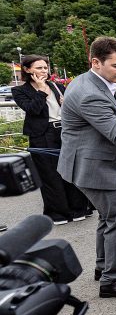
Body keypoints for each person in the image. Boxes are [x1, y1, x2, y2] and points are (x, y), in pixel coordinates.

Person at [56, 37, 116, 296]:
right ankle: (113, 280)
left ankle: (105, 267)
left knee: (108, 217)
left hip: (88, 164)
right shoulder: (90, 94)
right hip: (94, 168)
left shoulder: (90, 82)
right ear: (95, 62)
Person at [11, 55, 90, 224]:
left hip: (65, 131)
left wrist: (66, 102)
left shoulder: (57, 86)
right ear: (27, 70)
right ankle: (59, 213)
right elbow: (32, 110)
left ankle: (79, 208)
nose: (43, 71)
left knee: (72, 170)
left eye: (45, 67)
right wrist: (40, 91)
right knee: (49, 174)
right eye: (39, 68)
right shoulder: (19, 91)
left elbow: (73, 108)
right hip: (42, 134)